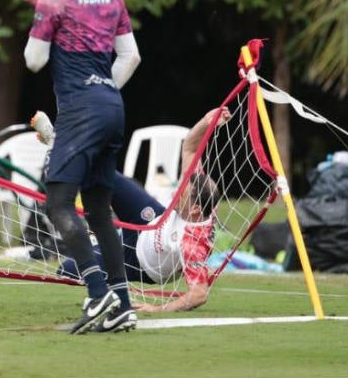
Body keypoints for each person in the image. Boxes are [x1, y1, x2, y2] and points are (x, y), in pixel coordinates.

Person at [24, 0, 141, 334]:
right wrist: (103, 86)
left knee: (56, 202)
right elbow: (131, 57)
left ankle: (96, 290)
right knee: (98, 210)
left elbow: (34, 60)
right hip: (113, 106)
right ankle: (124, 304)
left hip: (80, 110)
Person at [54, 107, 229, 313]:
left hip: (137, 262)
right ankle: (57, 144)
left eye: (183, 192)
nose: (177, 190)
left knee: (67, 270)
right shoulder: (197, 189)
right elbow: (190, 147)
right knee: (105, 173)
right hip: (151, 218)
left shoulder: (193, 242)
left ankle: (102, 242)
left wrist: (157, 309)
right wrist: (207, 121)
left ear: (196, 209)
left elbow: (199, 295)